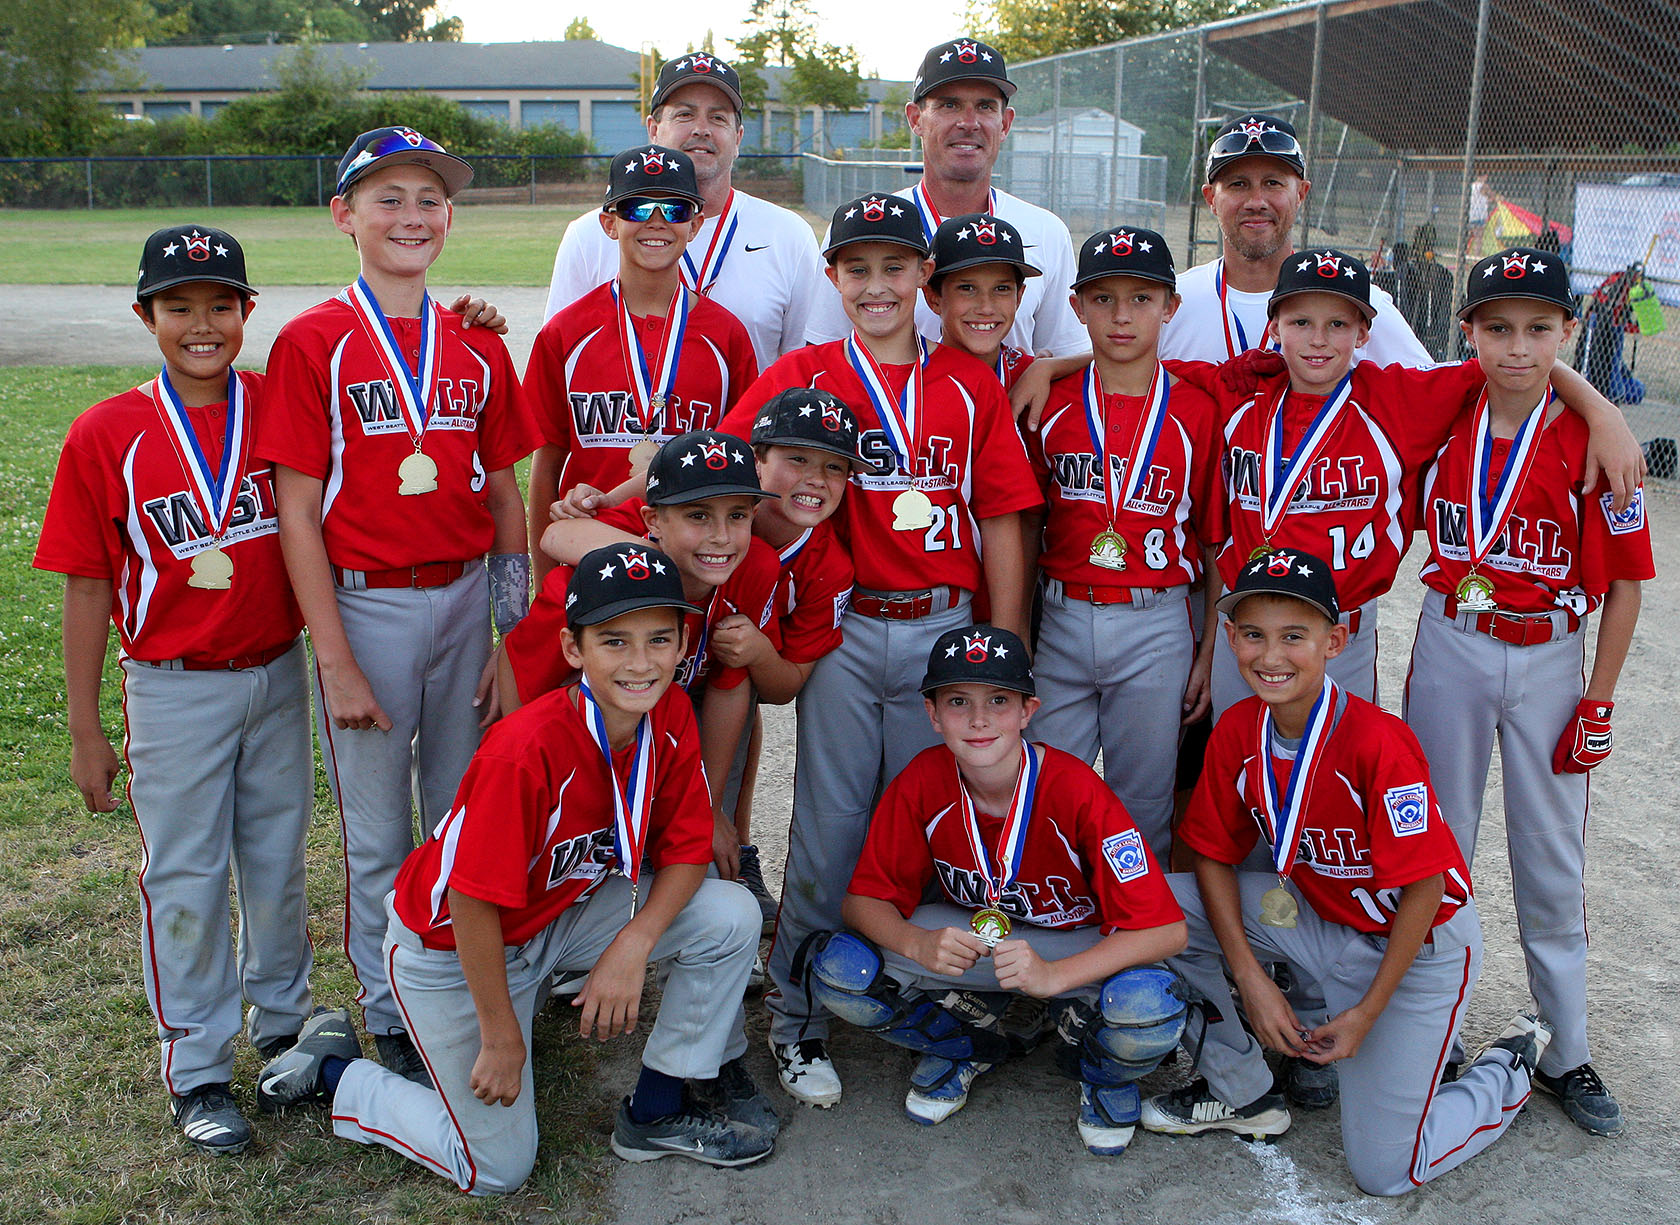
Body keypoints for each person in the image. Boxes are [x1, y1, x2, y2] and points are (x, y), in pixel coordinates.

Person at [255, 544, 775, 1191]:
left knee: (729, 913)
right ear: (573, 647)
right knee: (498, 1167)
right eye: (614, 641)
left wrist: (633, 945)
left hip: (555, 916)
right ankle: (336, 1068)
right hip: (451, 948)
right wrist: (502, 1039)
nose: (640, 662)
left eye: (659, 640)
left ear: (681, 644)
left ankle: (657, 1109)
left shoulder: (666, 713)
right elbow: (471, 902)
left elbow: (689, 848)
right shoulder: (525, 749)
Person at [717, 193, 1042, 1107]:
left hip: (947, 631)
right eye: (855, 268)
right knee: (829, 827)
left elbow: (1004, 517)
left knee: (934, 823)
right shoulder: (807, 372)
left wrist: (1004, 643)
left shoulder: (968, 383)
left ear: (923, 283)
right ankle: (797, 1018)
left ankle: (910, 996)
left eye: (895, 267)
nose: (876, 285)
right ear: (832, 278)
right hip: (851, 626)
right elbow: (722, 460)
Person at [256, 126, 541, 1085]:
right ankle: (388, 1009)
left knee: (465, 813)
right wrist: (331, 655)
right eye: (388, 198)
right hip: (366, 606)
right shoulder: (311, 342)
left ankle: (449, 982)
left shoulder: (478, 345)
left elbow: (505, 499)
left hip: (465, 602)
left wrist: (513, 634)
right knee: (379, 830)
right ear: (344, 216)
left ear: (450, 217)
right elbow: (297, 511)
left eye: (430, 198)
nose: (411, 215)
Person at [1140, 548, 1554, 1197]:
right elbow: (1214, 854)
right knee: (1151, 908)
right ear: (1230, 638)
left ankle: (1508, 1066)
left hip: (1414, 951)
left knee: (1385, 1169)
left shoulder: (1375, 741)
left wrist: (1366, 1013)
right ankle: (1241, 1086)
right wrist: (1249, 976)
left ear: (1335, 640)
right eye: (1253, 633)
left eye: (1293, 636)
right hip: (1317, 920)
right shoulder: (1239, 728)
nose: (1270, 655)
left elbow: (1426, 887)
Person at [34, 226, 313, 1157]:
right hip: (172, 684)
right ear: (145, 314)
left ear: (247, 312)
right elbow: (84, 584)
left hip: (276, 668)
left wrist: (471, 317)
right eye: (180, 305)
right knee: (186, 874)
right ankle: (196, 1063)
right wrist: (84, 729)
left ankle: (283, 1029)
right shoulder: (106, 429)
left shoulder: (280, 405)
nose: (203, 324)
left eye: (221, 304)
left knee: (276, 857)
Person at [1404, 248, 1654, 1137]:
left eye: (1539, 329)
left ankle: (1567, 1049)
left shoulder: (1594, 439)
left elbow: (1625, 583)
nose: (1517, 348)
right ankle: (1433, 1028)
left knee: (1552, 857)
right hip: (1452, 642)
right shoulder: (1441, 406)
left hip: (1551, 653)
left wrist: (1601, 698)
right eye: (1497, 327)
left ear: (1569, 333)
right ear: (1465, 330)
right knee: (1435, 843)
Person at [811, 624, 1188, 1153]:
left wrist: (1055, 975)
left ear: (1027, 712)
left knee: (1152, 1002)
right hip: (978, 940)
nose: (980, 719)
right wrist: (915, 944)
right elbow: (862, 903)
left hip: (1070, 947)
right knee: (838, 968)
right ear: (933, 714)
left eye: (999, 700)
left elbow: (1166, 931)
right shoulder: (924, 779)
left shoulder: (1074, 789)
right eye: (958, 700)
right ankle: (968, 1043)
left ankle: (1103, 1074)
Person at [1022, 226, 1223, 863]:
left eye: (1141, 298)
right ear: (1077, 307)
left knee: (1144, 801)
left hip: (1157, 620)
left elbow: (1216, 542)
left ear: (1171, 306)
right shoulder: (1047, 399)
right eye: (1103, 299)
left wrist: (1210, 649)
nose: (1121, 315)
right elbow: (1024, 526)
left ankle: (1140, 942)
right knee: (1050, 787)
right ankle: (1062, 928)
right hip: (1060, 613)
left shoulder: (1199, 407)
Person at [512, 430, 781, 871]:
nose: (720, 537)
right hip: (575, 724)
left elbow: (731, 686)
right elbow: (527, 676)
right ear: (653, 522)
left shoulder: (755, 566)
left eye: (737, 516)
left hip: (669, 716)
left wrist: (709, 807)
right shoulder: (591, 585)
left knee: (700, 869)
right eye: (698, 516)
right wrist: (523, 770)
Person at [524, 144, 758, 580]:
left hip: (695, 567)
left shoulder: (726, 336)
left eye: (674, 208)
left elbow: (746, 467)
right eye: (637, 206)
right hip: (588, 563)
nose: (656, 221)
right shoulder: (565, 334)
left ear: (695, 224)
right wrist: (543, 577)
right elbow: (547, 462)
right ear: (610, 223)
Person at [544, 52, 826, 372]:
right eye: (684, 115)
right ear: (653, 129)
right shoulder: (588, 235)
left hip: (746, 422)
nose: (701, 129)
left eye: (718, 117)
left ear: (738, 138)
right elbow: (560, 360)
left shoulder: (788, 234)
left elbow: (804, 367)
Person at [805, 38, 1085, 358]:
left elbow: (1065, 354)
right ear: (915, 119)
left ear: (1005, 123)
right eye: (949, 105)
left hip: (1004, 407)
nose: (968, 123)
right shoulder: (863, 227)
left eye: (985, 106)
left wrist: (1047, 368)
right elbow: (823, 354)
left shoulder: (1045, 231)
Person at [1158, 113, 1430, 368]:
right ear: (1210, 199)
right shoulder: (1168, 305)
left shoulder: (1359, 302)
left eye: (1273, 183)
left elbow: (1429, 396)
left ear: (1301, 193)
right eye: (1238, 184)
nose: (1256, 202)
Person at [923, 211, 1039, 392]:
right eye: (967, 288)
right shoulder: (911, 381)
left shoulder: (1035, 378)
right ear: (933, 298)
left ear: (1018, 297)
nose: (986, 308)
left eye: (1001, 289)